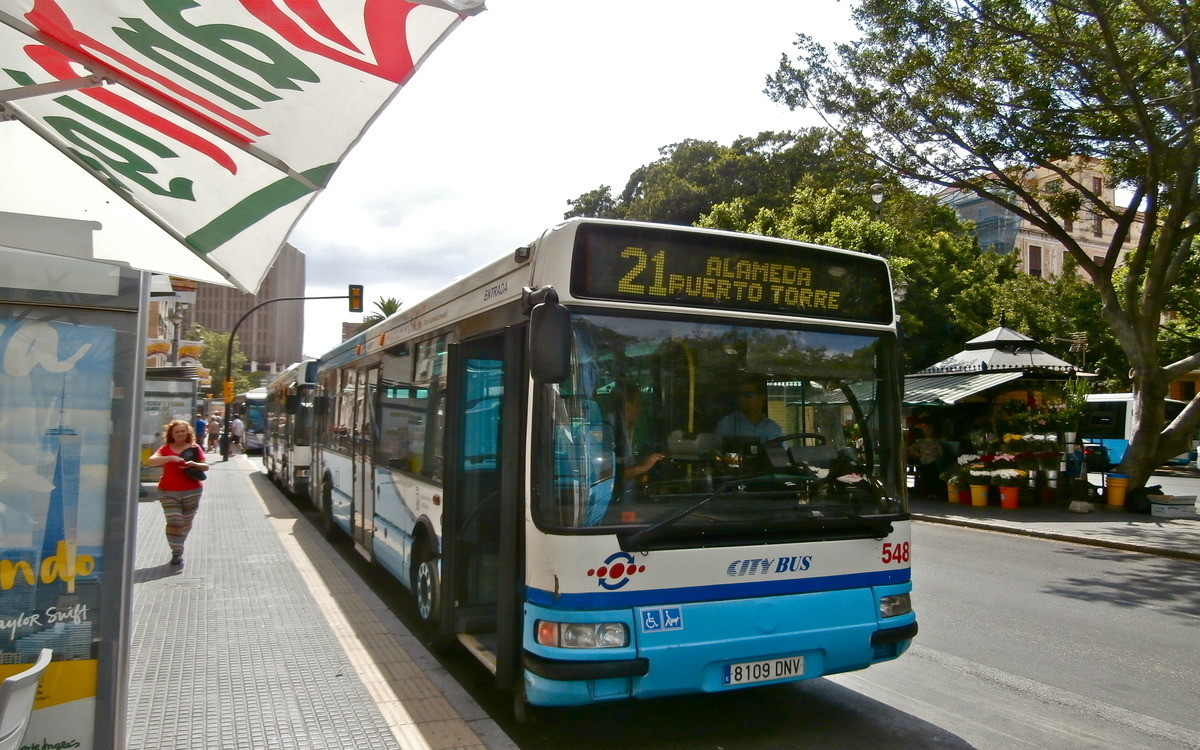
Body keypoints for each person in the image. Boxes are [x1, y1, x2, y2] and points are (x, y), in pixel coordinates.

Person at [147, 419, 208, 566]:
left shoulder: (195, 448)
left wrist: (194, 464)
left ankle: (178, 544)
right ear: (171, 434)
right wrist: (172, 458)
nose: (180, 433)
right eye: (177, 431)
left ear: (188, 433)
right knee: (175, 522)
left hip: (192, 491)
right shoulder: (165, 449)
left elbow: (205, 466)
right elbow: (151, 461)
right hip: (168, 491)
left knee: (186, 523)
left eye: (183, 431)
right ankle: (177, 553)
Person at [607, 384, 665, 497]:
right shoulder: (606, 431)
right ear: (628, 406)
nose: (640, 410)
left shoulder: (623, 430)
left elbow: (624, 464)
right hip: (614, 503)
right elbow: (606, 474)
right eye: (638, 405)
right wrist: (643, 467)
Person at [714, 377, 783, 441]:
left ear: (761, 398)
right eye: (740, 395)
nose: (742, 399)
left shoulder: (774, 429)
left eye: (748, 395)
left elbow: (779, 453)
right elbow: (718, 451)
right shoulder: (727, 424)